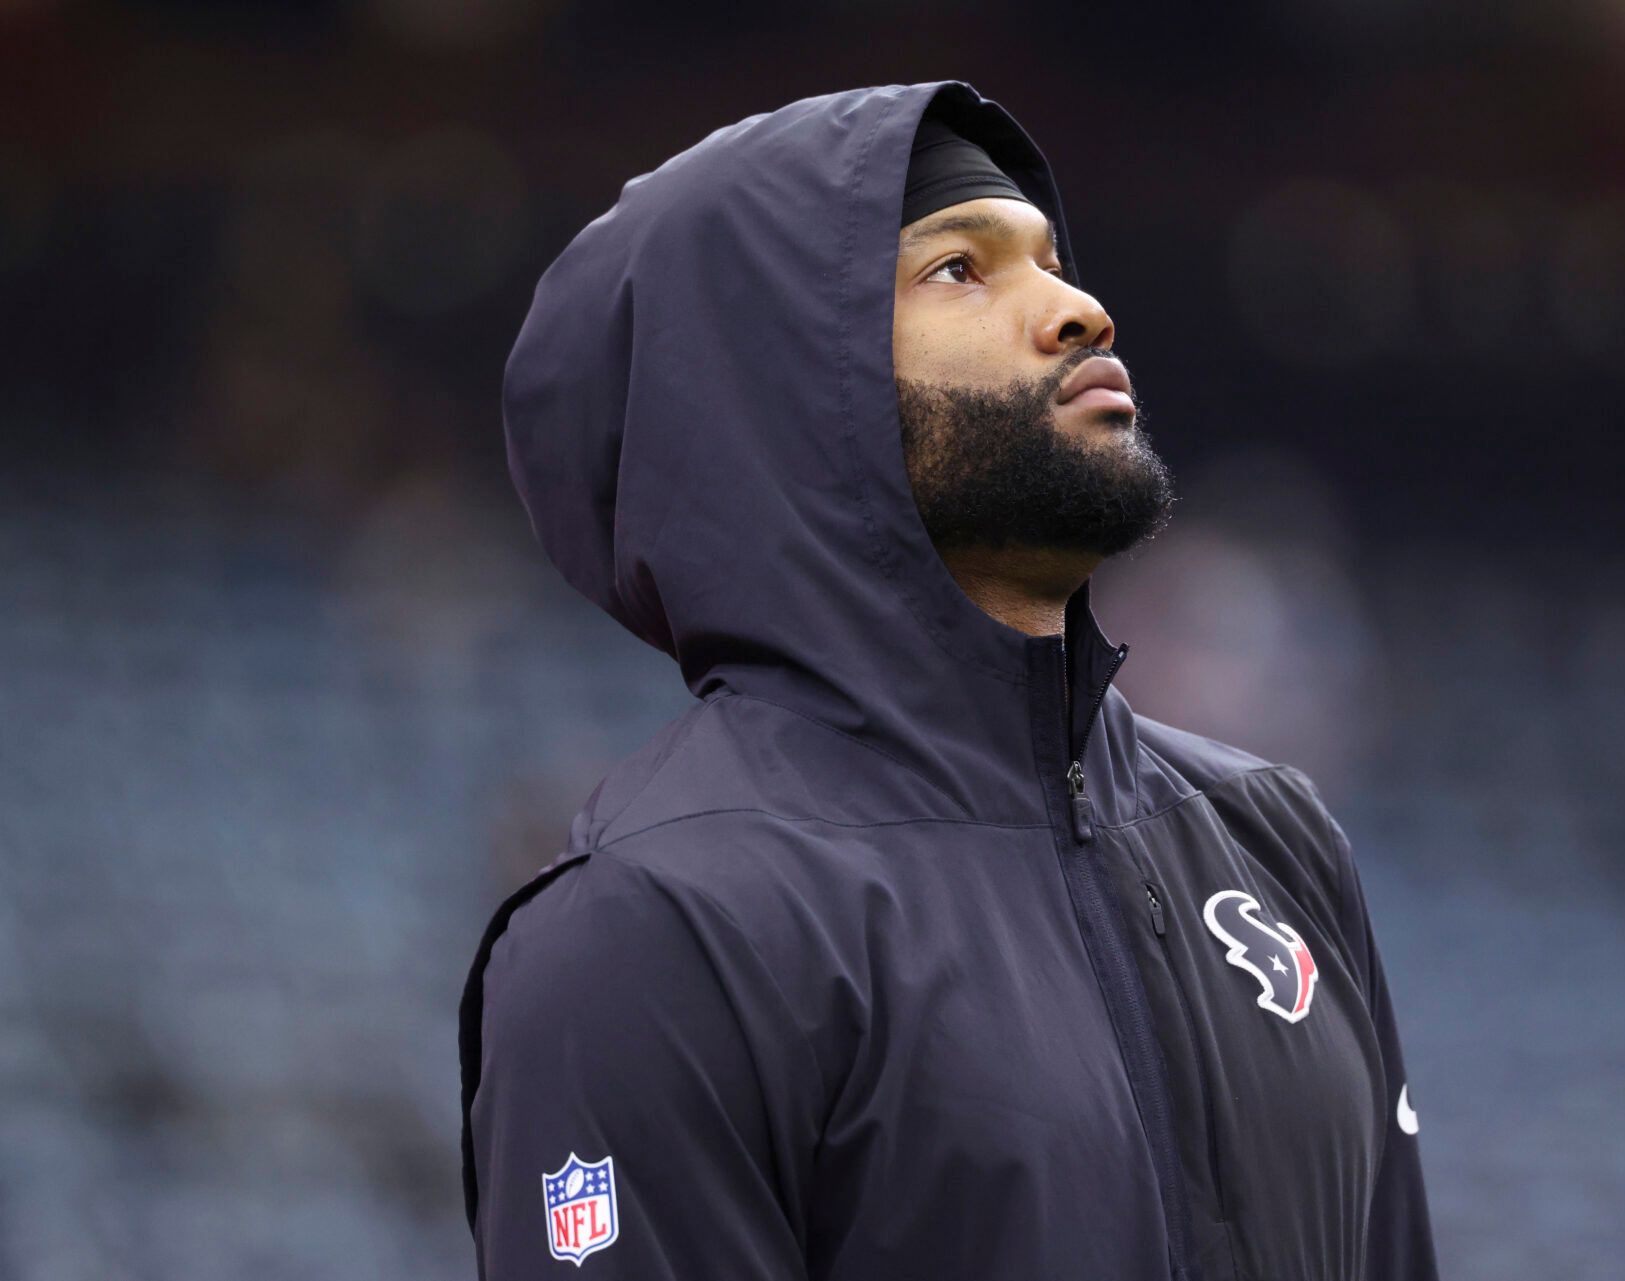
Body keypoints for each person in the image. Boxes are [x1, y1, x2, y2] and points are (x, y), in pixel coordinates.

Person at [460, 80, 1438, 1281]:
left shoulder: (1272, 834)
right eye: (961, 270)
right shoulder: (658, 926)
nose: (1079, 308)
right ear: (784, 400)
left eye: (1050, 257)